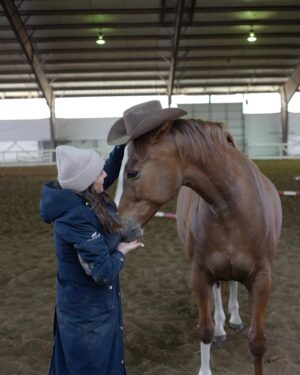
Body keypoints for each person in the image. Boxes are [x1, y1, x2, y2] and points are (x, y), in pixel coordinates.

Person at [40, 144, 143, 375]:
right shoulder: (75, 217)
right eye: (99, 173)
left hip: (93, 309)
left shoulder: (81, 195)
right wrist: (121, 252)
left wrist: (122, 145)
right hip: (87, 317)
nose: (104, 175)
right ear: (86, 181)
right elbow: (102, 271)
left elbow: (107, 170)